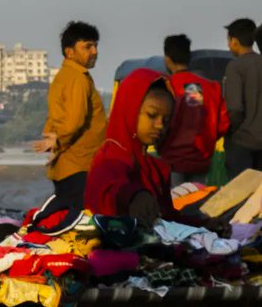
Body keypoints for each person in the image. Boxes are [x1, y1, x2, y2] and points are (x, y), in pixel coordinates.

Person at [84, 69, 228, 234]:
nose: (160, 125)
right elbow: (111, 191)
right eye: (152, 115)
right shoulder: (109, 160)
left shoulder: (154, 168)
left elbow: (169, 219)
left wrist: (203, 225)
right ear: (130, 110)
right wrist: (133, 196)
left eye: (166, 120)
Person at [34, 21, 107, 215]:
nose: (94, 51)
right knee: (81, 223)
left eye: (95, 45)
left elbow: (56, 117)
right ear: (70, 52)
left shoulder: (64, 76)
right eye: (87, 47)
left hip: (69, 165)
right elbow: (75, 121)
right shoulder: (77, 78)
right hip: (79, 166)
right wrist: (57, 140)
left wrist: (54, 141)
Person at [159, 34, 229, 185]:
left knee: (173, 204)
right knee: (196, 203)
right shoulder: (210, 87)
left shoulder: (164, 87)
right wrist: (207, 139)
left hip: (173, 161)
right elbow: (223, 123)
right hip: (200, 160)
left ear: (167, 59)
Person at [221, 18, 262, 177]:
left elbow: (234, 108)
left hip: (242, 141)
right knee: (259, 195)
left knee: (240, 194)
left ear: (234, 41)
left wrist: (235, 132)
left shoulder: (235, 67)